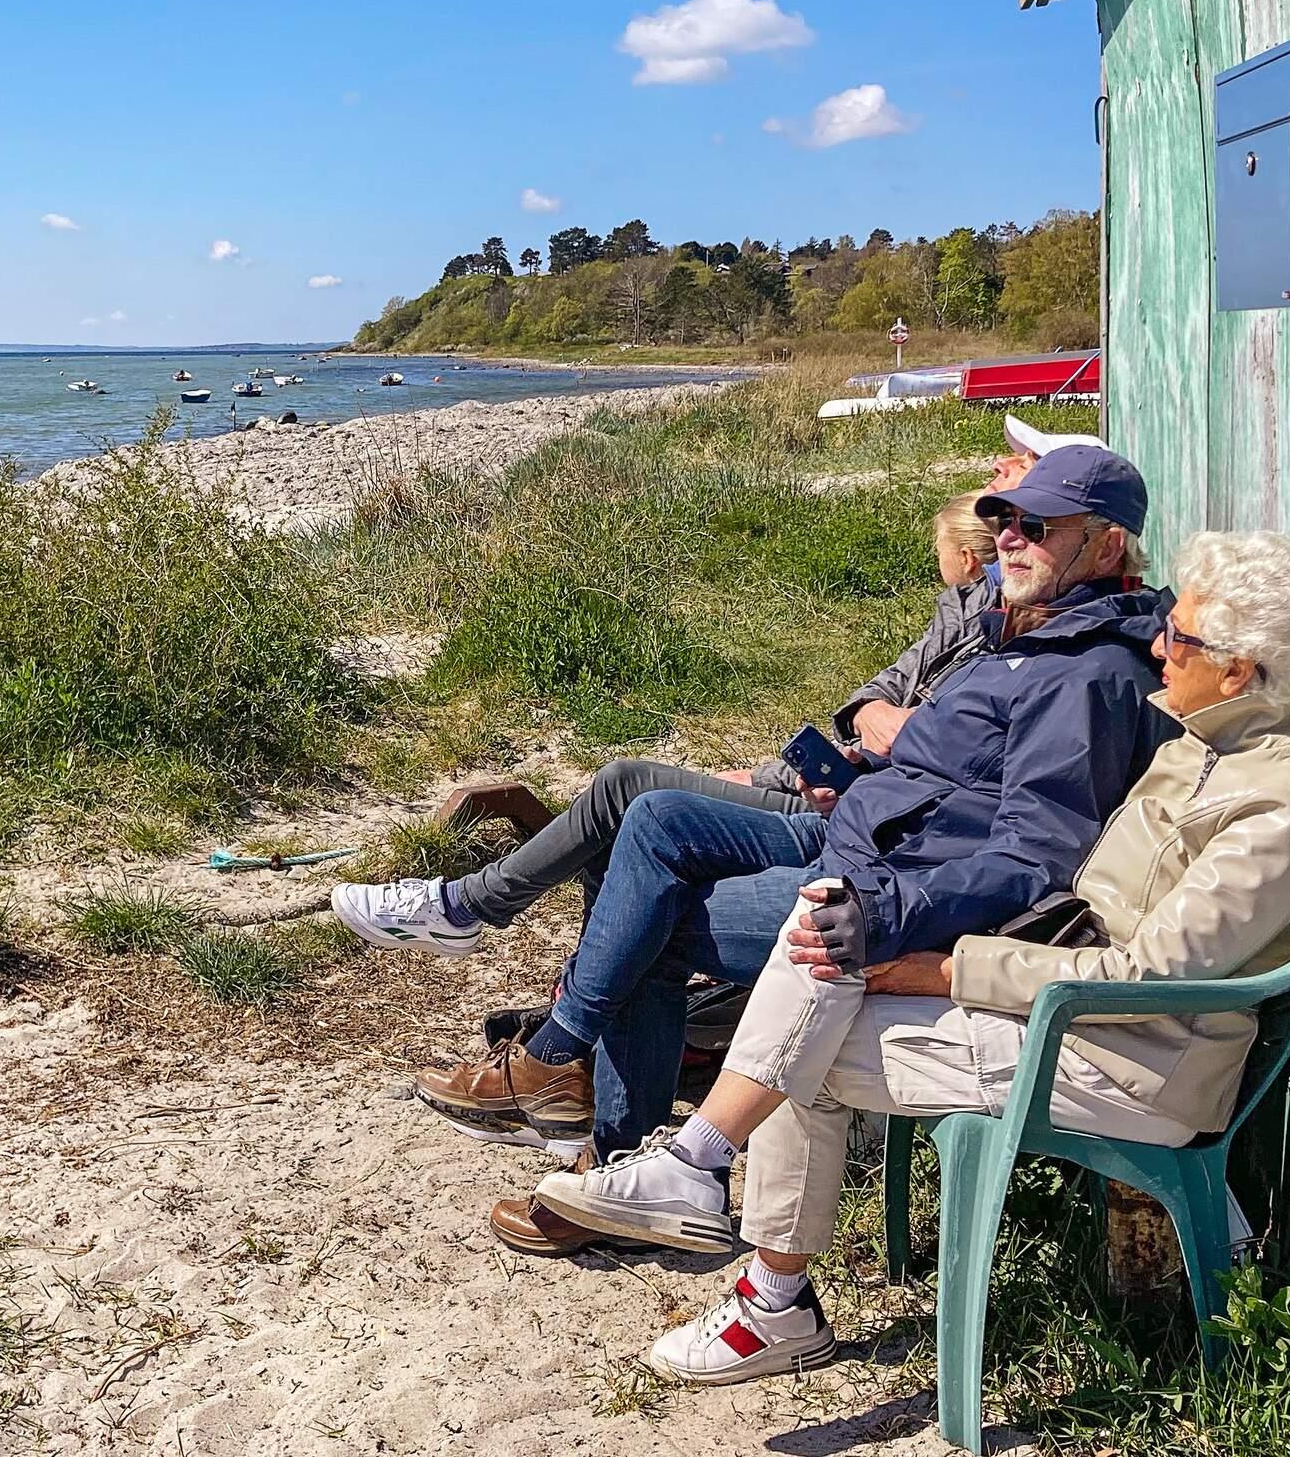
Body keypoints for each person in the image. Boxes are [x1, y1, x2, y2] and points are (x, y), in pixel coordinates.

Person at [532, 529, 1290, 1383]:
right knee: (823, 931)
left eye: (1179, 636)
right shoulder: (1204, 748)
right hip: (1069, 1009)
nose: (1159, 645)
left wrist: (947, 969)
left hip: (1130, 1061)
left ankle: (750, 1265)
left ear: (1237, 671)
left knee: (799, 1048)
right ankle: (706, 1189)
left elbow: (1142, 980)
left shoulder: (1276, 810)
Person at [423, 445, 1171, 1252]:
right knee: (657, 816)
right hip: (861, 839)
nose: (1011, 538)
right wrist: (858, 774)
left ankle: (606, 1143)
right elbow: (957, 774)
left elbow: (1034, 855)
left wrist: (884, 910)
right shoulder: (1031, 637)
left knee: (650, 925)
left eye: (1039, 526)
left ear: (1106, 547)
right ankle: (573, 1088)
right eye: (1007, 520)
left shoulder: (1086, 676)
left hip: (888, 892)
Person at [328, 415, 1091, 958]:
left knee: (631, 795)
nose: (998, 472)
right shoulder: (980, 606)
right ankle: (559, 1018)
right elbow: (876, 696)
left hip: (856, 821)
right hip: (849, 796)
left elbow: (939, 769)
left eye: (1017, 468)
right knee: (627, 810)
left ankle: (481, 924)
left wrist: (807, 763)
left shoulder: (1032, 638)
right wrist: (863, 719)